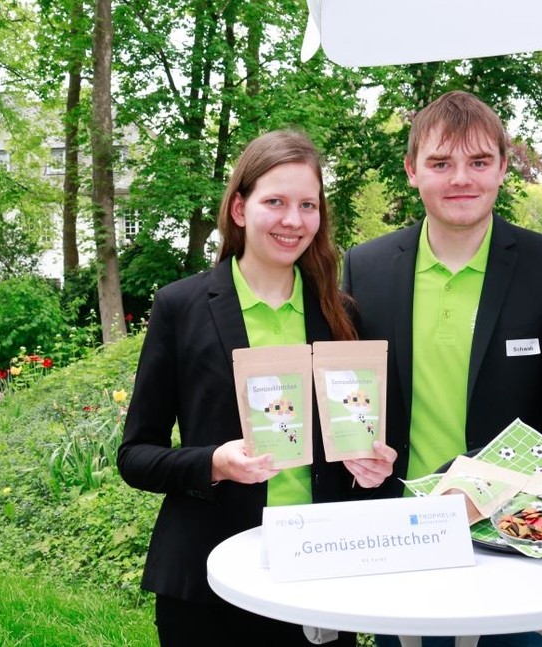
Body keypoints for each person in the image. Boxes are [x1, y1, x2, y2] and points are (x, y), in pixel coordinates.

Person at [341, 91, 542, 647]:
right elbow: (351, 396)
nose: (461, 178)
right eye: (441, 164)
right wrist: (355, 449)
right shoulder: (365, 269)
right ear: (413, 171)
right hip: (405, 537)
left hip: (519, 541)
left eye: (479, 162)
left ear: (504, 168)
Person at [118, 129, 396, 647]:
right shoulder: (181, 307)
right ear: (240, 209)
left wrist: (370, 469)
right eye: (276, 201)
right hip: (210, 581)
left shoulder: (341, 317)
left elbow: (355, 446)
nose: (293, 220)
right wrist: (214, 464)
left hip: (320, 571)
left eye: (307, 205)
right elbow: (135, 455)